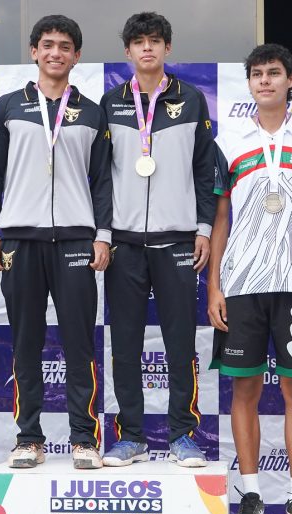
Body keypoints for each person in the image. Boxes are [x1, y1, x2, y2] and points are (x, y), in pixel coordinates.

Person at [208, 44, 292, 514]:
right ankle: (252, 497)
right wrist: (214, 285)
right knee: (244, 389)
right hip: (242, 283)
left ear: (291, 80)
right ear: (249, 83)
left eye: (274, 73)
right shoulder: (228, 141)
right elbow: (220, 216)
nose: (265, 80)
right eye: (257, 74)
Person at [0, 14, 113, 470]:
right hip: (19, 240)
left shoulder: (92, 112)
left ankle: (84, 439)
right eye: (48, 45)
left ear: (77, 56)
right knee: (25, 343)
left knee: (80, 344)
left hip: (76, 240)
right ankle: (29, 438)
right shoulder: (7, 107)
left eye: (65, 46)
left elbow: (103, 181)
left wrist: (103, 235)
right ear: (34, 51)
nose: (56, 53)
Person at [99, 11, 215, 468]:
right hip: (124, 244)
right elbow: (100, 177)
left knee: (180, 343)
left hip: (178, 241)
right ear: (127, 51)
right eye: (139, 42)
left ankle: (183, 435)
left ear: (168, 47)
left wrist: (203, 228)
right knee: (125, 344)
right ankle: (131, 436)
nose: (147, 48)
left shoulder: (192, 99)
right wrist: (104, 234)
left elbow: (205, 170)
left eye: (155, 40)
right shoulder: (111, 102)